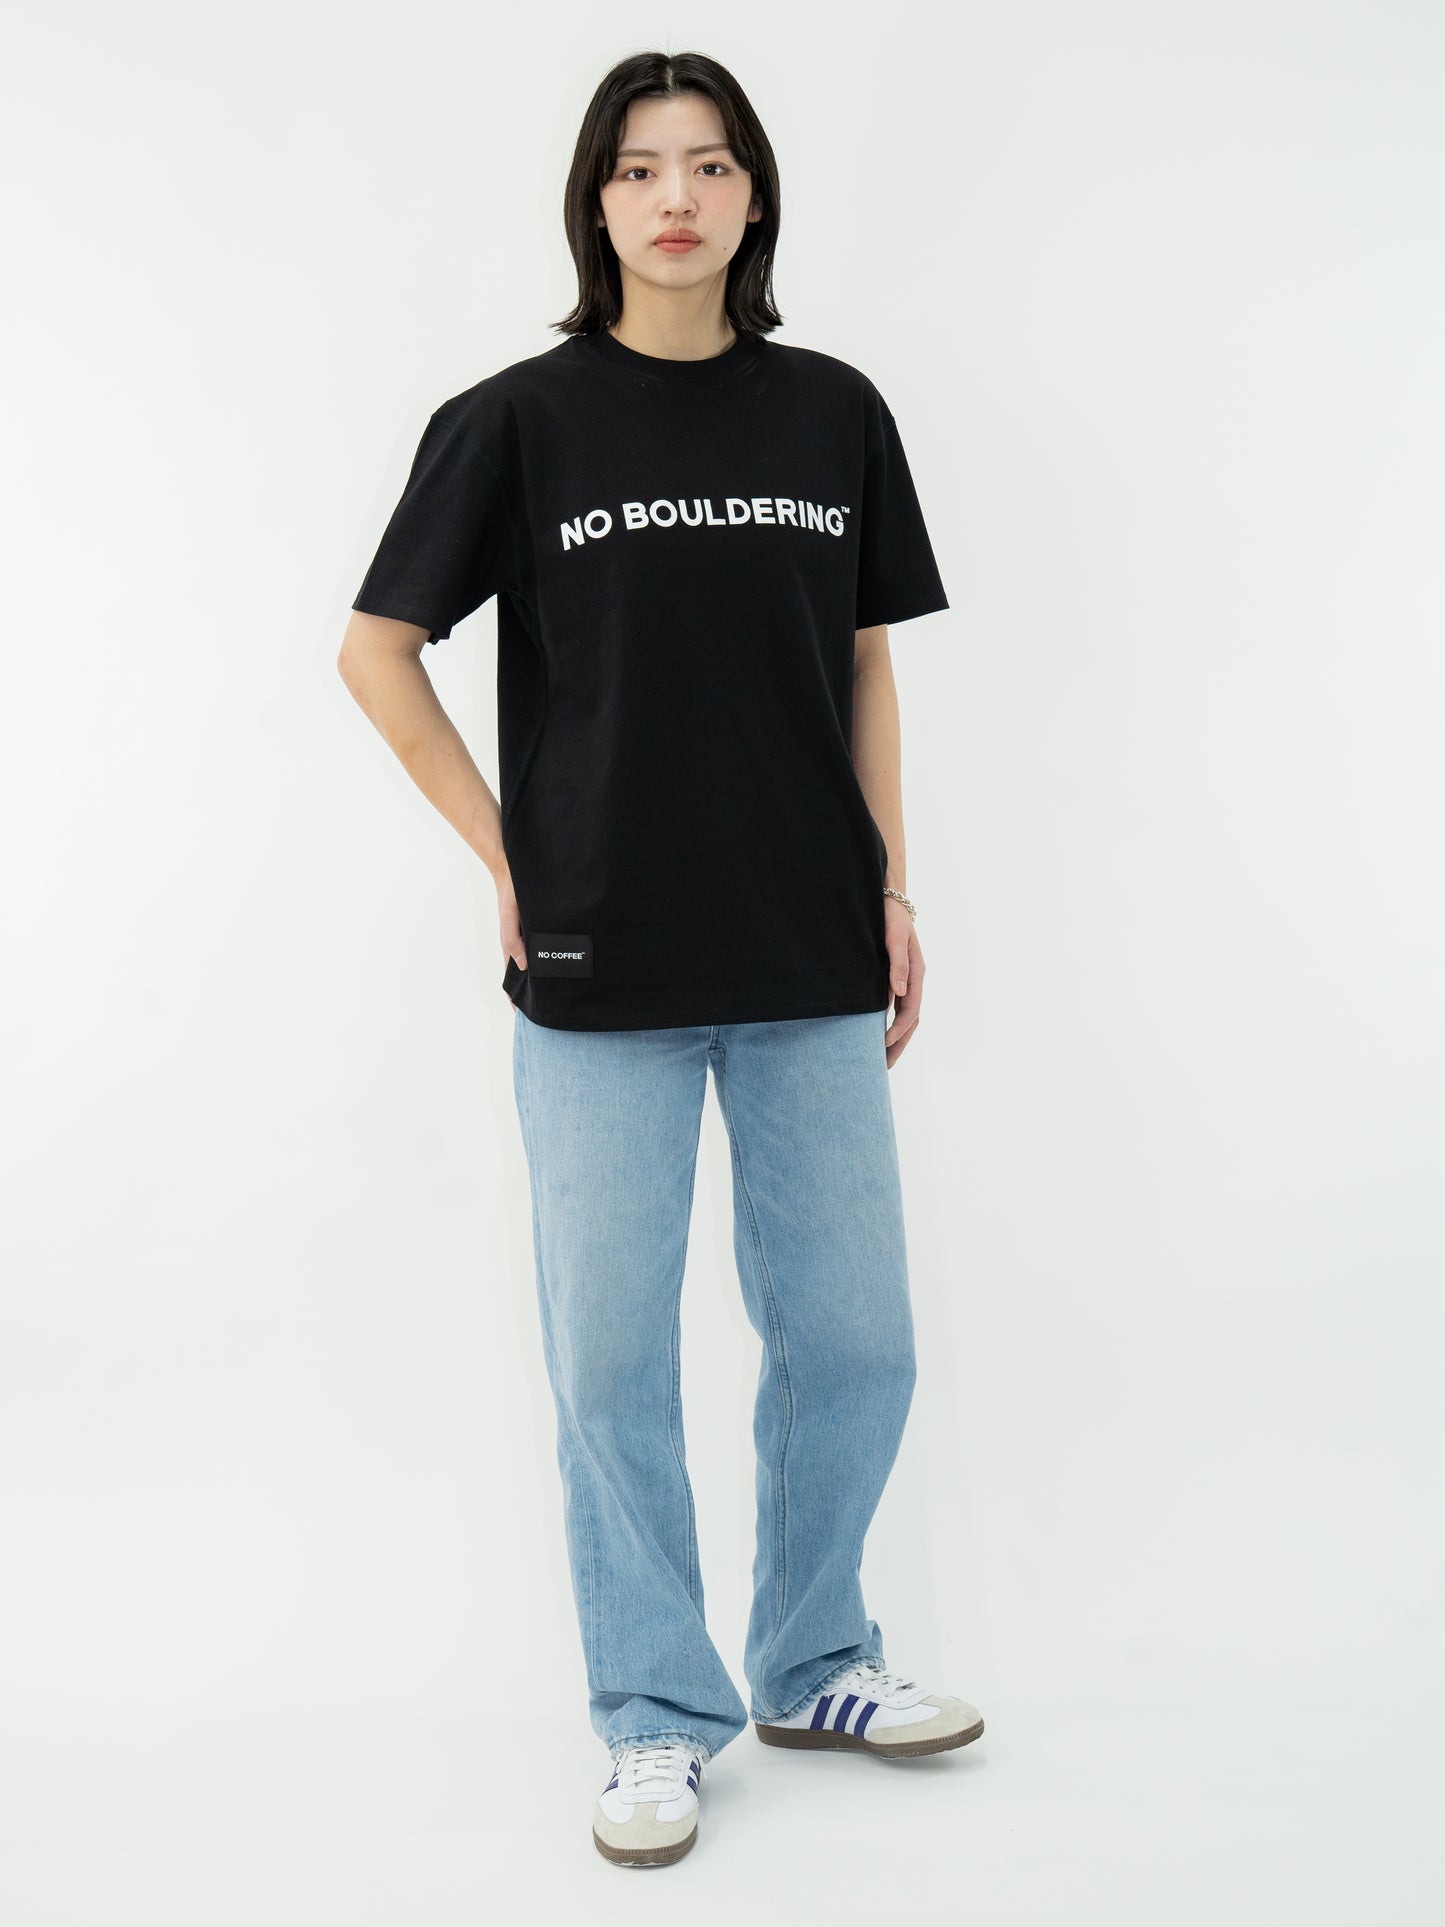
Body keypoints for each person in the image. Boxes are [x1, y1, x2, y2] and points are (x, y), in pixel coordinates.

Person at [339, 48, 983, 1870]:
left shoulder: (832, 412)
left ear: (753, 194)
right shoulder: (515, 423)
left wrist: (892, 890)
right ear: (596, 202)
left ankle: (814, 1662)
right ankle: (651, 1712)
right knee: (609, 1364)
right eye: (637, 169)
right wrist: (507, 851)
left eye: (707, 164)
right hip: (599, 959)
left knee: (852, 1340)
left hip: (805, 944)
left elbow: (863, 660)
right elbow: (377, 649)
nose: (674, 198)